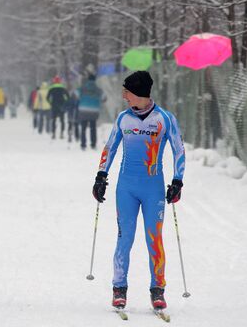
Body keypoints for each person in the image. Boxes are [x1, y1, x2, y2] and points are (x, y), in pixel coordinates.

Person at [91, 71, 185, 311]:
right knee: (125, 239)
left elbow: (178, 150)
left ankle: (158, 290)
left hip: (153, 188)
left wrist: (177, 180)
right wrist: (101, 175)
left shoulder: (164, 118)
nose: (124, 96)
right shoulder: (123, 118)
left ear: (140, 93)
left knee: (154, 240)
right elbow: (110, 147)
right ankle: (119, 288)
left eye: (127, 92)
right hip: (126, 189)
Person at [78, 64, 104, 149]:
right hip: (94, 111)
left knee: (83, 128)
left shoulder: (82, 88)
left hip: (83, 110)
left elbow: (75, 95)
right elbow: (104, 98)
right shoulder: (98, 90)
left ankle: (83, 144)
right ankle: (93, 144)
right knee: (93, 128)